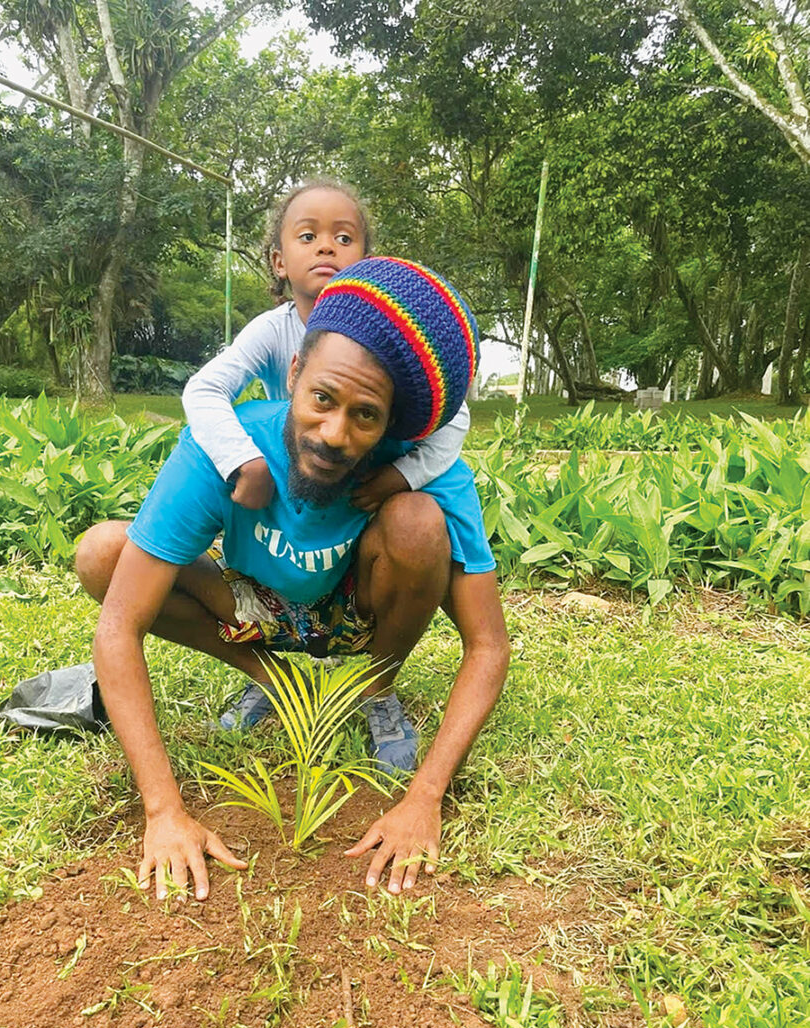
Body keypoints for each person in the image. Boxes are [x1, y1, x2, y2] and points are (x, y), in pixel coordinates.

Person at [75, 257, 509, 903]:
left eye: (365, 416)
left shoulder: (422, 472)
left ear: (390, 423)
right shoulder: (225, 447)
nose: (333, 434)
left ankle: (370, 686)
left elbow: (488, 645)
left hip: (355, 611)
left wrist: (426, 797)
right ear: (295, 373)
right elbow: (119, 624)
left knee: (419, 523)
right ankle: (273, 679)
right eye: (322, 400)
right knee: (103, 555)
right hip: (257, 607)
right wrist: (163, 812)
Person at [182, 178, 471, 517]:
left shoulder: (393, 334)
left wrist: (401, 476)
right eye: (307, 236)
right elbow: (204, 389)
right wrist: (242, 460)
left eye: (344, 238)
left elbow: (454, 417)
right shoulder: (272, 330)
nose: (326, 247)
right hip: (293, 486)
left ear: (368, 260)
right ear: (279, 262)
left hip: (359, 486)